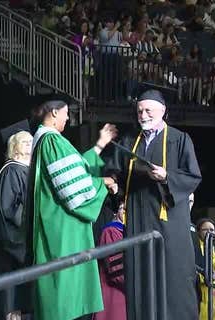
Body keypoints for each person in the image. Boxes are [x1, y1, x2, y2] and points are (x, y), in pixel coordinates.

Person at [108, 88, 202, 320]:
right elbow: (116, 174)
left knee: (173, 278)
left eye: (148, 110)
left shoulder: (179, 139)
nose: (143, 114)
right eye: (140, 110)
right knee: (139, 278)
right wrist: (112, 183)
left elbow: (192, 177)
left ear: (163, 111)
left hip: (168, 224)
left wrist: (167, 177)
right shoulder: (130, 141)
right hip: (137, 221)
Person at [27, 100, 118, 320]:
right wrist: (103, 183)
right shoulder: (52, 141)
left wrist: (100, 145)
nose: (68, 119)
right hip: (62, 234)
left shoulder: (46, 141)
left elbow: (76, 168)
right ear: (54, 112)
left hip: (58, 228)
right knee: (63, 303)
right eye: (66, 114)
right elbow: (74, 188)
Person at [0, 122, 33, 320]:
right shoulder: (12, 170)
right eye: (24, 142)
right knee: (13, 303)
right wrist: (32, 223)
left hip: (20, 244)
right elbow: (10, 208)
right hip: (13, 245)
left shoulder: (25, 170)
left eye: (31, 141)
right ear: (14, 146)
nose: (30, 145)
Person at [93, 202, 127, 320]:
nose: (125, 212)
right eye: (123, 208)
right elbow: (117, 272)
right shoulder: (111, 231)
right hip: (114, 299)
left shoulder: (128, 233)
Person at [195, 218, 215, 320]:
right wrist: (209, 275)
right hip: (202, 288)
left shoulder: (212, 247)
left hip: (214, 289)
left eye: (212, 230)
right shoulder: (197, 247)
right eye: (205, 230)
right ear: (198, 231)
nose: (209, 232)